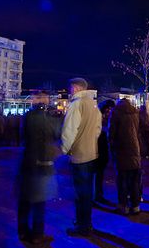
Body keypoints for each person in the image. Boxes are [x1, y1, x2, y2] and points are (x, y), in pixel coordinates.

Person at [17, 91, 60, 244]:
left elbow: (22, 136)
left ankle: (22, 231)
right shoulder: (44, 118)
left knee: (25, 200)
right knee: (39, 202)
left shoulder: (27, 117)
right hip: (41, 164)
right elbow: (56, 133)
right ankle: (37, 234)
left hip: (27, 162)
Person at [61, 78, 101, 237]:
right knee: (87, 192)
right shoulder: (93, 104)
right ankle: (87, 223)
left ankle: (82, 227)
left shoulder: (76, 104)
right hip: (91, 153)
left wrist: (65, 149)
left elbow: (69, 130)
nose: (70, 92)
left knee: (80, 193)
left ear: (76, 88)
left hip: (79, 156)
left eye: (71, 89)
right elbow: (98, 129)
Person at [109, 98, 142, 215]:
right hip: (135, 150)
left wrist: (112, 148)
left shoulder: (115, 113)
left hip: (121, 151)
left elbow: (111, 133)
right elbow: (140, 131)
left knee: (122, 180)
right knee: (134, 181)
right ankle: (136, 206)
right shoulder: (136, 112)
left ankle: (123, 206)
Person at [94, 100, 114, 205]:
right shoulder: (99, 119)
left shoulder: (104, 118)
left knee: (99, 174)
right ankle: (96, 195)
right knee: (97, 174)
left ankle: (98, 194)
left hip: (102, 150)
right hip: (98, 150)